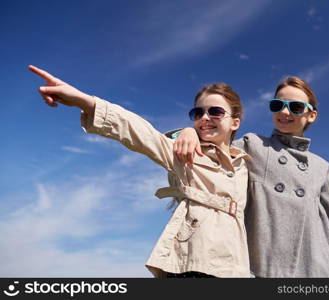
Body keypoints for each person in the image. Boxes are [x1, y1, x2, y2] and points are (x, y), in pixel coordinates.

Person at [28, 65, 251, 278]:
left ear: (235, 122)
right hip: (192, 263)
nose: (204, 118)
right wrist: (85, 102)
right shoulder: (183, 152)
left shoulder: (246, 163)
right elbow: (139, 132)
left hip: (236, 269)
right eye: (197, 112)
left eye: (215, 112)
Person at [172, 76, 329, 277]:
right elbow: (212, 144)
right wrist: (188, 132)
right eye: (277, 105)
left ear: (312, 115)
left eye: (296, 107)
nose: (284, 111)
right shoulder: (253, 145)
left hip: (314, 267)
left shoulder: (322, 167)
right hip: (263, 266)